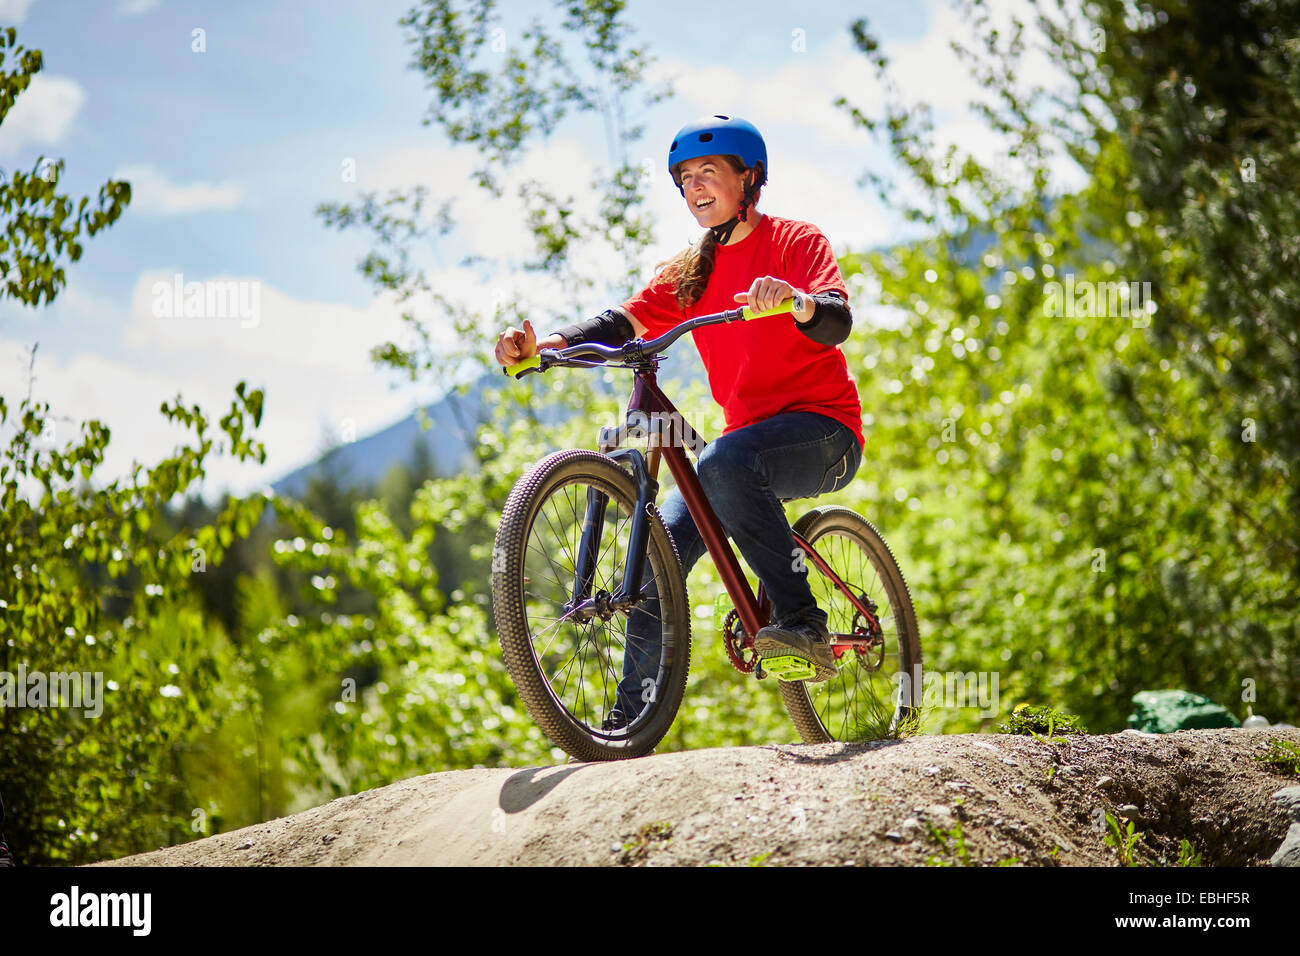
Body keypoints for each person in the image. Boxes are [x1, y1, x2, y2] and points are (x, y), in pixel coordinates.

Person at [494, 114, 863, 730]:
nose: (695, 187)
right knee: (654, 555)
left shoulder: (795, 241)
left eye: (709, 173)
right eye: (684, 177)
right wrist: (545, 346)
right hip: (744, 450)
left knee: (722, 461)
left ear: (751, 179)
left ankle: (802, 624)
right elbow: (623, 321)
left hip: (824, 432)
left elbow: (835, 320)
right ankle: (625, 723)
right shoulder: (689, 272)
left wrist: (795, 302)